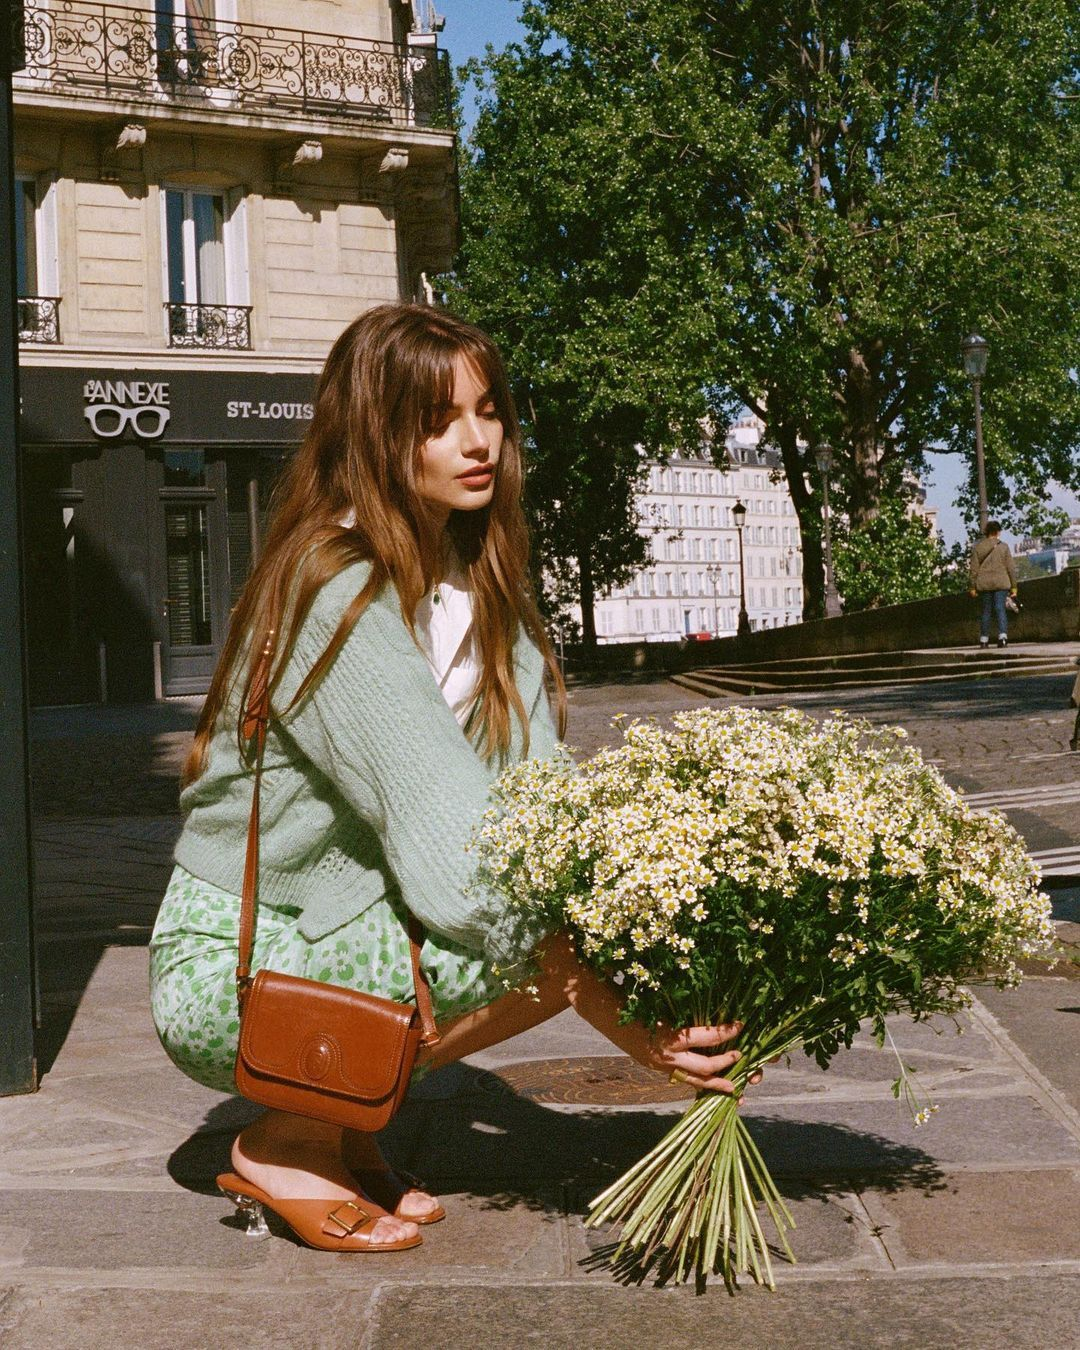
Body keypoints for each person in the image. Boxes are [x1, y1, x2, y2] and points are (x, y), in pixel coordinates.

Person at [149, 304, 756, 1255]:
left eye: (489, 410)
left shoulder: (478, 585)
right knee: (532, 943)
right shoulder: (331, 583)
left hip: (348, 924)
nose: (478, 441)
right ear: (375, 435)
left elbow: (542, 806)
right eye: (437, 421)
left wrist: (662, 917)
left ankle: (343, 1121)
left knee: (549, 931)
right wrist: (617, 1007)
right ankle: (285, 1139)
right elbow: (455, 838)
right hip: (240, 953)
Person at [968, 521, 1018, 648]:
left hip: (984, 584)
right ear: (997, 532)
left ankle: (984, 640)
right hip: (1001, 583)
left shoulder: (978, 547)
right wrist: (1014, 586)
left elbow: (974, 569)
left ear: (987, 532)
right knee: (1000, 609)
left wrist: (972, 586)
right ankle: (1002, 638)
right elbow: (1011, 568)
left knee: (986, 611)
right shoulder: (1004, 547)